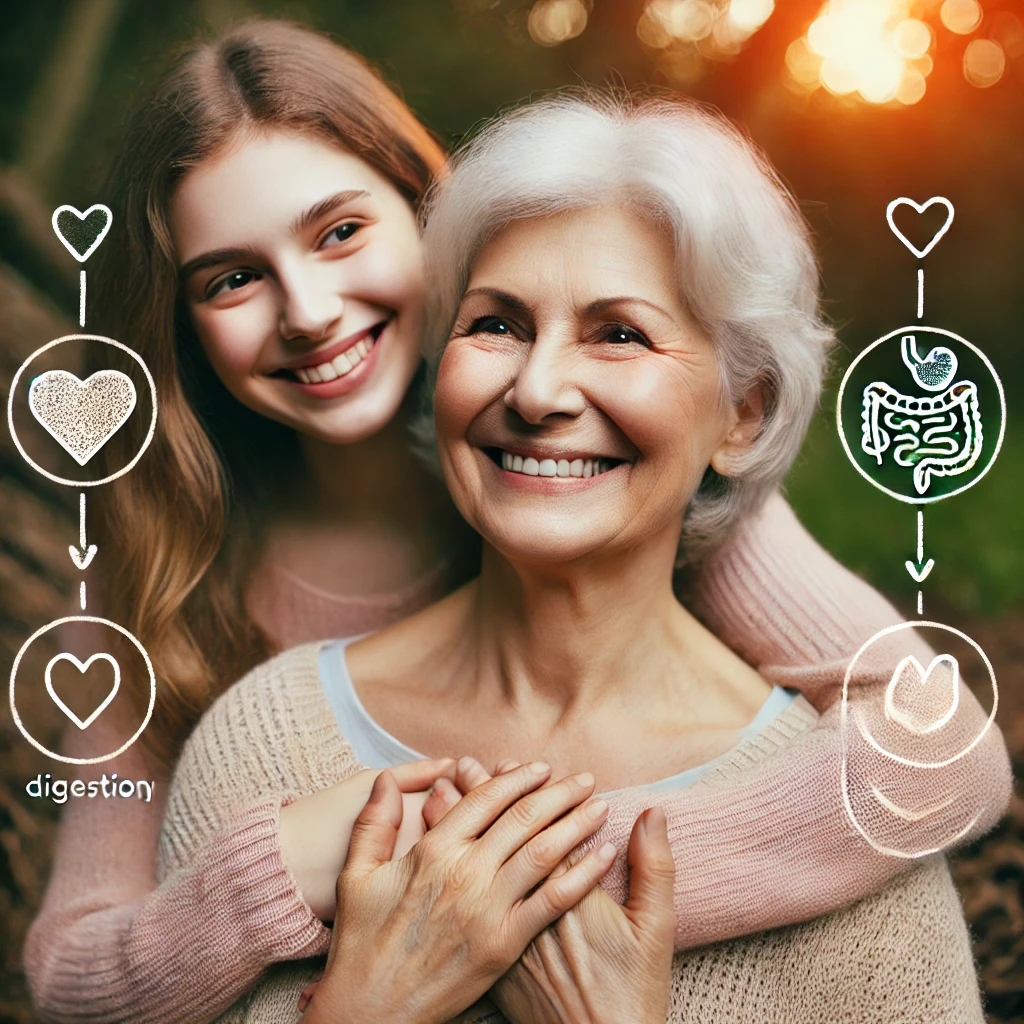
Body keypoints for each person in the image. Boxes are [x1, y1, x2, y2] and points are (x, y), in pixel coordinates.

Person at [24, 20, 1008, 1024]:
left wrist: (539, 870)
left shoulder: (653, 495)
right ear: (184, 322)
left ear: (427, 220)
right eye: (231, 277)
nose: (309, 310)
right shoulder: (170, 568)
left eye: (339, 232)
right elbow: (70, 971)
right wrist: (283, 880)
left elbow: (942, 750)